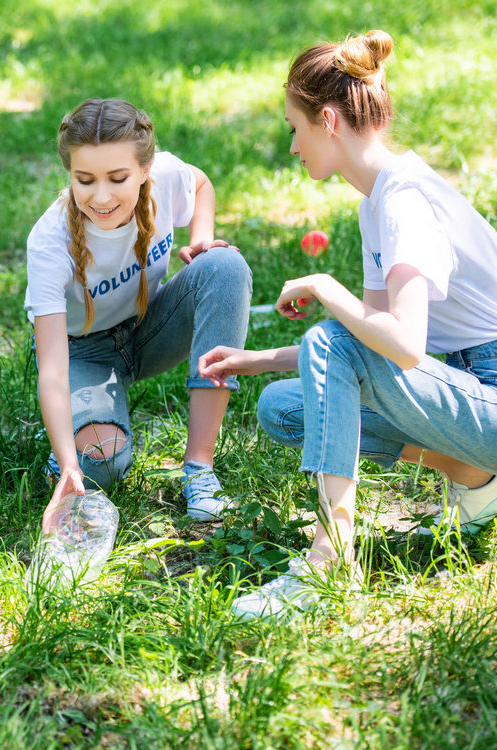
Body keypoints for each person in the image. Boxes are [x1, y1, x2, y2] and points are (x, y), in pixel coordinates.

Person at [199, 30, 497, 619]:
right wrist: (257, 360)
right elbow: (368, 341)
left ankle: (329, 561)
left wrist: (324, 288)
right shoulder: (376, 201)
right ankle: (473, 475)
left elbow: (405, 347)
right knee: (282, 405)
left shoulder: (405, 203)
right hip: (460, 391)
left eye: (294, 128)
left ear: (328, 120)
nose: (292, 147)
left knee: (325, 340)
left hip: (485, 392)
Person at [26, 98, 252, 532]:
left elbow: (201, 184)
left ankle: (200, 471)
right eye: (84, 179)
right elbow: (52, 371)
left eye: (118, 178)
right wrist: (69, 465)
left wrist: (201, 239)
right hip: (82, 351)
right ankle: (64, 440)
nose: (102, 196)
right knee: (99, 470)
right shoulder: (49, 243)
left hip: (149, 326)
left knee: (225, 266)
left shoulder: (164, 177)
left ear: (145, 170)